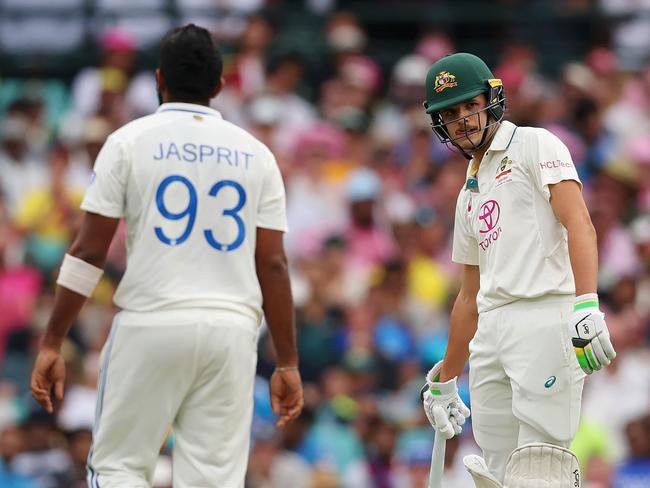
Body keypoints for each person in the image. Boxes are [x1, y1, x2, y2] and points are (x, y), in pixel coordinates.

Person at [30, 24, 303, 488]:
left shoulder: (127, 141)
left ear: (159, 79)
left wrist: (54, 340)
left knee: (118, 469)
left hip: (152, 321)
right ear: (218, 86)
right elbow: (273, 264)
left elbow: (88, 251)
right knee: (213, 481)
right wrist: (288, 363)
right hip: (231, 333)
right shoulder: (257, 155)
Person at [419, 53, 616, 486]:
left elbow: (580, 224)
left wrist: (586, 304)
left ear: (491, 99)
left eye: (469, 105)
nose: (462, 120)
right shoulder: (467, 194)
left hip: (545, 317)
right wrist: (446, 380)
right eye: (449, 114)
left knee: (541, 466)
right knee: (498, 470)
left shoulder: (534, 144)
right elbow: (469, 297)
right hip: (490, 332)